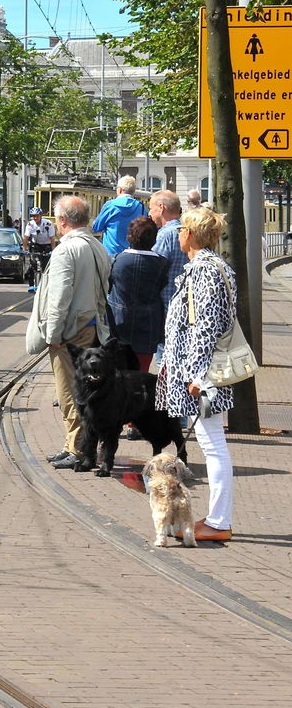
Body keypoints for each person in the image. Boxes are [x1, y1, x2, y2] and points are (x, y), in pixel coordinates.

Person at [158, 207, 237, 542]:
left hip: (201, 376)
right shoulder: (210, 266)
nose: (178, 235)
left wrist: (197, 376)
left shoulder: (204, 270)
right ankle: (217, 519)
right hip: (199, 372)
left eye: (181, 230)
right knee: (212, 443)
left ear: (189, 234)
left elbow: (205, 326)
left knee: (213, 444)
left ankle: (219, 522)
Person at [25, 196, 113, 470]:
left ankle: (78, 448)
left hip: (70, 332)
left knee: (69, 392)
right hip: (92, 326)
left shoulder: (66, 250)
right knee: (83, 390)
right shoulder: (97, 246)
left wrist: (53, 334)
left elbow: (59, 297)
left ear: (62, 220)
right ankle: (73, 444)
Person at [108, 216, 166, 371]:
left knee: (118, 373)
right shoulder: (162, 264)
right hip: (148, 324)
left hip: (119, 323)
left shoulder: (116, 261)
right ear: (154, 239)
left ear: (129, 237)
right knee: (142, 372)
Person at [91, 175, 145, 255]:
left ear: (119, 190)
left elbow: (96, 227)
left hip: (111, 254)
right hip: (133, 254)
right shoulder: (141, 207)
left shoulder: (110, 206)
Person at [23, 206, 55, 292]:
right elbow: (26, 238)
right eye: (33, 216)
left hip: (46, 245)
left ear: (41, 216)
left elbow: (52, 238)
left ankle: (46, 285)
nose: (35, 218)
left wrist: (53, 250)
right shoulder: (30, 224)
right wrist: (25, 249)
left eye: (37, 216)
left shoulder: (48, 223)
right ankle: (31, 285)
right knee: (32, 265)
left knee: (46, 266)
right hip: (35, 245)